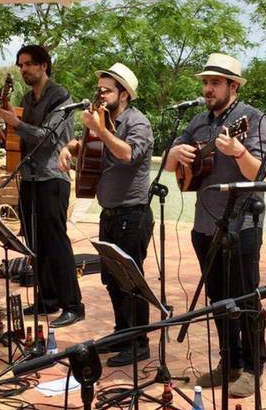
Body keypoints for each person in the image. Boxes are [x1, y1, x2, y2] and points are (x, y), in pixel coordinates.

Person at [164, 53, 266, 399]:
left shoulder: (252, 119)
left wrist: (239, 152)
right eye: (206, 83)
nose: (208, 89)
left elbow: (260, 174)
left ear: (233, 86)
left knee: (245, 299)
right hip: (205, 224)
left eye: (215, 83)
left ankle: (254, 368)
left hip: (242, 224)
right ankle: (229, 363)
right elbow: (169, 162)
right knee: (218, 300)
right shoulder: (198, 121)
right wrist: (177, 156)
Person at [58, 63, 154, 366]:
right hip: (110, 213)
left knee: (131, 281)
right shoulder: (101, 120)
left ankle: (139, 342)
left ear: (124, 94)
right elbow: (88, 145)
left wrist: (98, 129)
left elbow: (128, 154)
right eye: (99, 88)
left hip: (133, 214)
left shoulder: (138, 123)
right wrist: (69, 148)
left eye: (107, 90)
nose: (100, 94)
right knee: (113, 280)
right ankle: (122, 333)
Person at [0, 44, 83, 327]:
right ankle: (48, 300)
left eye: (30, 64)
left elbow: (47, 137)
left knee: (56, 244)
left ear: (44, 65)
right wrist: (5, 135)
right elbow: (24, 140)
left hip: (52, 177)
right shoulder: (26, 98)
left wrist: (16, 123)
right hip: (30, 177)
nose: (24, 69)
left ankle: (73, 304)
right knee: (35, 243)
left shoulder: (60, 96)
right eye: (20, 65)